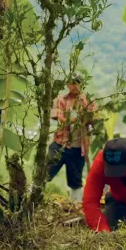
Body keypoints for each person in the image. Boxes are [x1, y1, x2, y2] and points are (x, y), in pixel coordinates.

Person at [48, 74, 97, 202]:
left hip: (78, 147)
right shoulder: (60, 99)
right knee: (46, 170)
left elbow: (94, 119)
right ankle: (30, 195)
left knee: (76, 179)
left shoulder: (88, 101)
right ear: (67, 84)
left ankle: (75, 205)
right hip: (61, 143)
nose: (74, 85)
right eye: (71, 83)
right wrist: (71, 119)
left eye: (77, 82)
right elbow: (57, 116)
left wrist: (86, 119)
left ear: (81, 83)